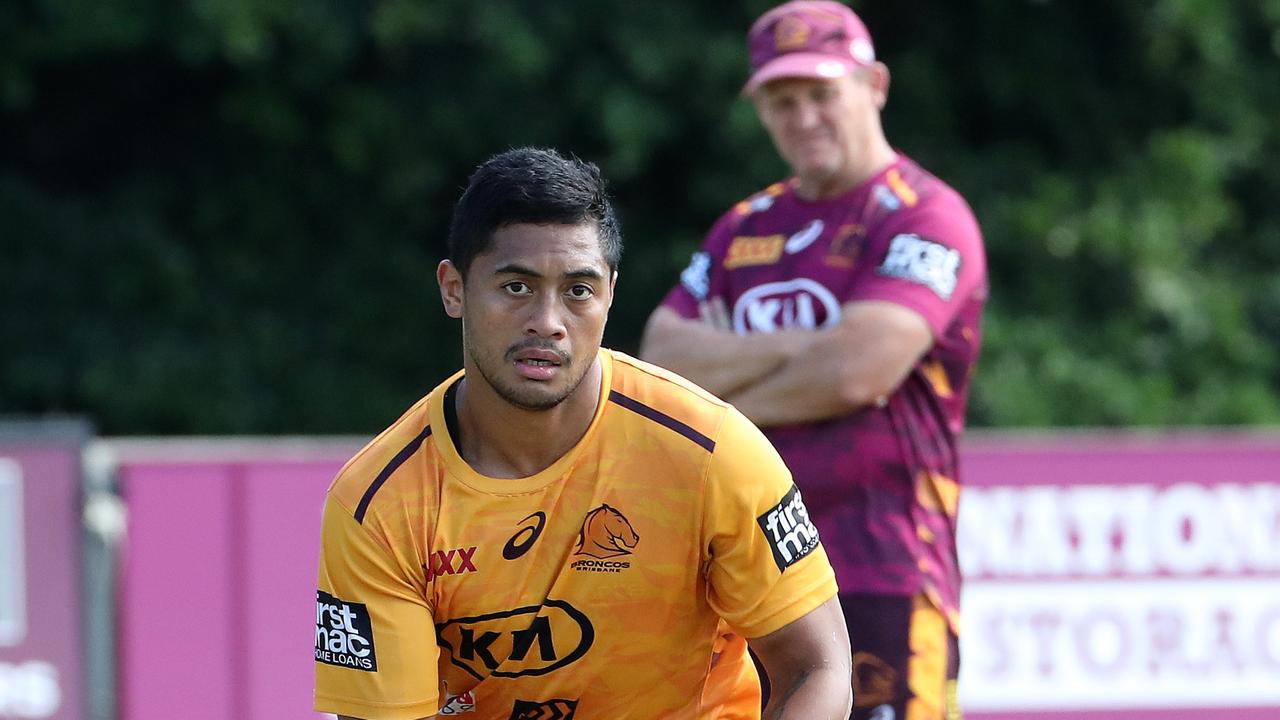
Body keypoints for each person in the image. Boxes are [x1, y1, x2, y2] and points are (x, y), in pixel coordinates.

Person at [313, 147, 853, 720]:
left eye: (578, 290)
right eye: (517, 287)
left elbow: (817, 667)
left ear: (610, 295)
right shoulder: (375, 505)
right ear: (454, 289)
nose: (547, 321)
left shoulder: (713, 450)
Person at [640, 3, 988, 719]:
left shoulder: (923, 213)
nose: (802, 117)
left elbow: (858, 370)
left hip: (883, 565)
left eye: (821, 93)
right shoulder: (744, 228)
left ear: (876, 85)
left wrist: (724, 400)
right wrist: (807, 342)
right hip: (747, 574)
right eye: (781, 100)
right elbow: (663, 356)